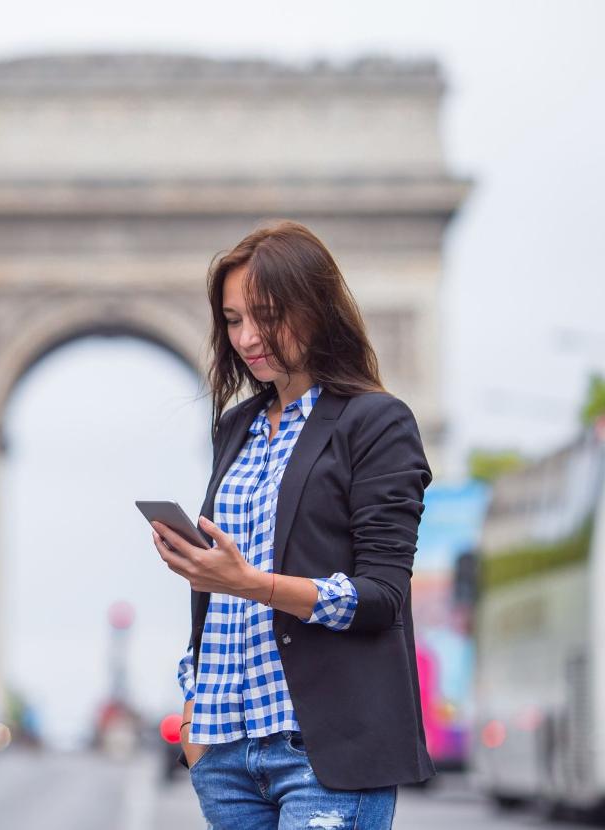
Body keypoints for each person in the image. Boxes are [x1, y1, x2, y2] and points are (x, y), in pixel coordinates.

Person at [151, 221, 433, 830]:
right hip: (225, 750)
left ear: (318, 308)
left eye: (267, 316)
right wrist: (194, 705)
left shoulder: (376, 423)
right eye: (231, 320)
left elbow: (382, 597)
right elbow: (220, 600)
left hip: (322, 750)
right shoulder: (237, 428)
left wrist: (251, 581)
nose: (247, 338)